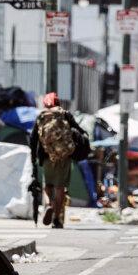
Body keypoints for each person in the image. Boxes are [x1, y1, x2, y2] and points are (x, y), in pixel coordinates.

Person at [30, 93, 86, 228]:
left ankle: (49, 204)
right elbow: (79, 132)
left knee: (47, 186)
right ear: (58, 102)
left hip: (47, 157)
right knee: (60, 188)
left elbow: (33, 139)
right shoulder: (65, 114)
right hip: (64, 157)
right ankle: (56, 218)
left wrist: (34, 158)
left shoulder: (41, 116)